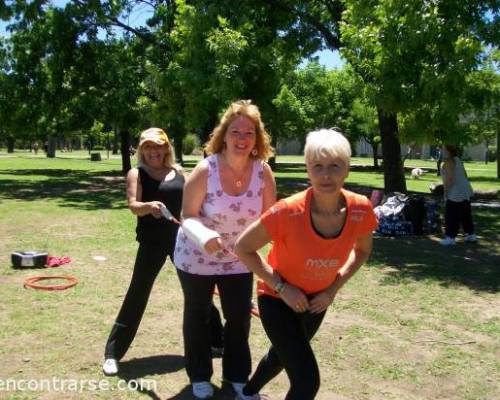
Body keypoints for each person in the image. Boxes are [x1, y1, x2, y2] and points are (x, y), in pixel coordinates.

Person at [234, 129, 378, 400]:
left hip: (317, 302)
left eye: (335, 166)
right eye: (318, 167)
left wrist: (332, 290)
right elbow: (243, 247)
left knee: (282, 355)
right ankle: (249, 391)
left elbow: (362, 252)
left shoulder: (361, 209)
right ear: (308, 170)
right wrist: (282, 287)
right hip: (276, 298)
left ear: (347, 169)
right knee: (307, 381)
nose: (326, 175)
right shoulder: (287, 211)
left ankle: (248, 391)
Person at [173, 100, 276, 399]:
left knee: (239, 316)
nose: (242, 139)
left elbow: (271, 219)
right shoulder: (207, 168)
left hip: (239, 258)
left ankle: (237, 376)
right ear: (224, 134)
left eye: (249, 133)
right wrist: (204, 235)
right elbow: (187, 214)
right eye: (235, 131)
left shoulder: (263, 172)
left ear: (257, 138)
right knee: (198, 314)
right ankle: (199, 375)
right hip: (197, 256)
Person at [102, 128, 223, 375]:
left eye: (158, 146)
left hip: (182, 241)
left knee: (198, 291)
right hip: (152, 243)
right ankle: (113, 353)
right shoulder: (137, 173)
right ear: (141, 150)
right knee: (138, 293)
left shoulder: (179, 172)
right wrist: (148, 206)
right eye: (148, 147)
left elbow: (197, 200)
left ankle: (217, 342)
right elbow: (133, 206)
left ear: (166, 148)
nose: (153, 151)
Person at [440, 145, 476, 246]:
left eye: (443, 149)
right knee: (465, 213)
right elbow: (465, 174)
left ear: (448, 150)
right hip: (464, 189)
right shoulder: (458, 159)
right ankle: (471, 234)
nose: (441, 150)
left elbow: (449, 178)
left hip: (455, 191)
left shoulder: (449, 161)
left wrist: (446, 192)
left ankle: (450, 238)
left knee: (451, 214)